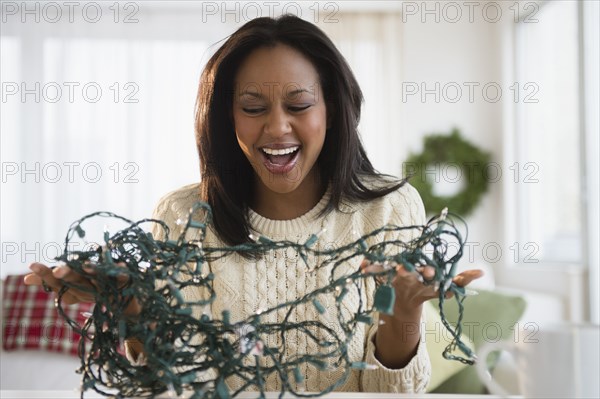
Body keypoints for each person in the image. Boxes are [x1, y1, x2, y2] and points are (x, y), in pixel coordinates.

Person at [25, 14, 482, 394]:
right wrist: (132, 311)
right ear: (226, 116)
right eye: (253, 107)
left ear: (333, 110)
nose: (277, 127)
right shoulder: (182, 216)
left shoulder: (389, 210)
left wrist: (404, 314)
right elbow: (169, 388)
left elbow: (395, 394)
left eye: (299, 105)